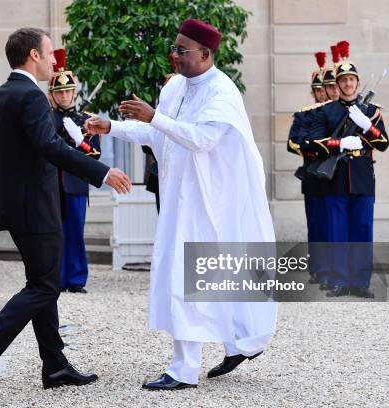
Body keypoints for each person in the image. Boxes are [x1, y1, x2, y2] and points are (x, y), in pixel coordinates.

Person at [85, 19, 277, 390]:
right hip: (180, 198)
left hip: (211, 202)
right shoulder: (176, 88)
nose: (174, 56)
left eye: (181, 51)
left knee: (199, 276)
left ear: (205, 54)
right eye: (174, 49)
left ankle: (186, 369)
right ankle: (236, 344)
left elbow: (201, 139)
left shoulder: (223, 92)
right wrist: (112, 128)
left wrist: (154, 116)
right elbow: (158, 133)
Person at [0, 28, 131, 402]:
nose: (54, 60)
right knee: (44, 286)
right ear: (33, 55)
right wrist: (101, 171)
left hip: (19, 206)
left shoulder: (2, 94)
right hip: (36, 207)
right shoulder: (31, 97)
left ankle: (54, 364)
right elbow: (49, 147)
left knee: (42, 280)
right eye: (50, 54)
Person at [310, 40, 389, 298]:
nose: (347, 84)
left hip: (363, 175)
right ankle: (340, 281)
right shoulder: (327, 112)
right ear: (339, 83)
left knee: (362, 229)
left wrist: (367, 126)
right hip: (337, 175)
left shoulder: (371, 111)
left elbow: (384, 143)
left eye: (351, 80)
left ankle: (360, 282)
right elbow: (317, 144)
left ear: (357, 82)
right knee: (337, 229)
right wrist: (340, 142)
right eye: (343, 80)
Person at [49, 48, 101, 294]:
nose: (65, 96)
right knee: (55, 232)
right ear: (53, 95)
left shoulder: (86, 119)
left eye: (68, 91)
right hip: (52, 183)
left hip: (75, 182)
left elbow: (95, 154)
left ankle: (76, 278)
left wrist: (80, 140)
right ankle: (56, 279)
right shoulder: (46, 118)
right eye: (60, 92)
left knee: (76, 231)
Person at [287, 51, 330, 286]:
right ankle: (318, 268)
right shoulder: (305, 115)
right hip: (313, 174)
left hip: (336, 175)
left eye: (326, 88)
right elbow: (293, 142)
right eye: (319, 90)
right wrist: (311, 148)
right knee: (316, 224)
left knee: (332, 224)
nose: (322, 93)